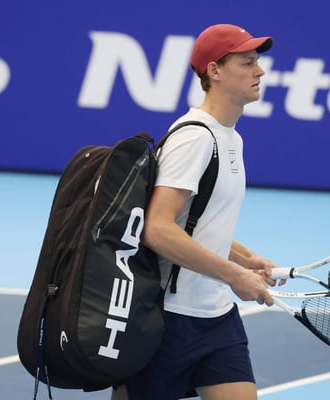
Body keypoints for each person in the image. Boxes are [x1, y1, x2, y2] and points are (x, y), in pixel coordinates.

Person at [112, 23, 282, 400]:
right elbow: (157, 229)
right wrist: (234, 274)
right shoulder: (194, 138)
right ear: (214, 71)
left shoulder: (231, 138)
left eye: (257, 62)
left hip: (216, 317)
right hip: (165, 319)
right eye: (247, 63)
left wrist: (246, 259)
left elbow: (195, 221)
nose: (260, 71)